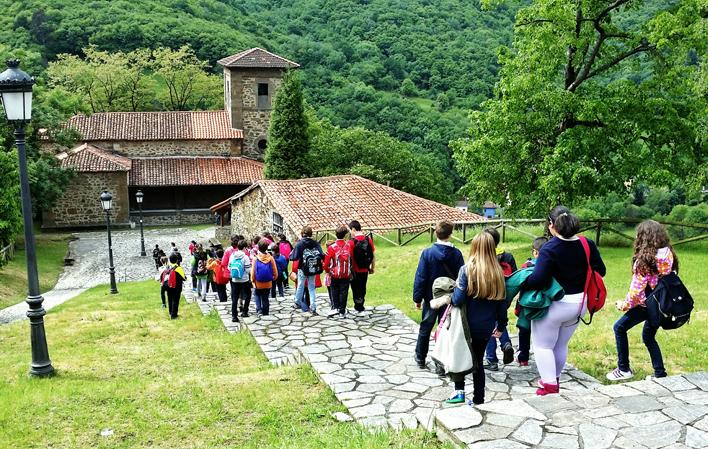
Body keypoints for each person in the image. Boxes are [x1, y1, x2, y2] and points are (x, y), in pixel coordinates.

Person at [525, 206, 606, 395]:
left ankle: (549, 384)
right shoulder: (587, 244)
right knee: (561, 344)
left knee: (543, 345)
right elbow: (600, 271)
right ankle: (555, 377)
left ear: (552, 225)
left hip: (555, 305)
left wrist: (523, 279)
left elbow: (538, 279)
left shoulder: (550, 248)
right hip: (580, 304)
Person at [607, 220, 676, 381]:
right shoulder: (668, 255)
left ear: (643, 238)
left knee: (619, 327)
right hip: (662, 305)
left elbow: (636, 290)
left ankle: (623, 369)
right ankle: (660, 373)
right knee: (649, 337)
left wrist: (624, 305)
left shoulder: (643, 261)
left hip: (646, 305)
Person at [446, 232, 508, 405]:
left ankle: (459, 392)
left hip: (465, 325)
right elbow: (502, 305)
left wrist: (450, 296)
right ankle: (479, 399)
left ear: (474, 247)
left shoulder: (466, 270)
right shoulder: (498, 274)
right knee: (478, 362)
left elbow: (458, 299)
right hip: (486, 327)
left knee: (460, 356)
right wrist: (501, 326)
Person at [413, 220, 465, 370]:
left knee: (426, 327)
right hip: (449, 299)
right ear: (451, 234)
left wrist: (417, 298)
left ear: (436, 233)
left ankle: (420, 357)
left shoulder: (427, 253)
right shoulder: (456, 254)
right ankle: (440, 364)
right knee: (445, 329)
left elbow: (421, 277)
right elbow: (461, 277)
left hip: (431, 297)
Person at [481, 227, 518, 371]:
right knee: (499, 320)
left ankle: (491, 359)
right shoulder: (507, 256)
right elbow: (515, 277)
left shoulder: (484, 257)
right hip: (503, 295)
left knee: (489, 323)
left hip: (487, 295)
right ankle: (505, 343)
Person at [514, 236, 548, 366]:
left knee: (524, 329)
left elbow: (519, 282)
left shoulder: (527, 265)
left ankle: (523, 357)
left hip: (527, 304)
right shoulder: (552, 267)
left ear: (535, 252)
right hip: (544, 303)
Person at [290, 226, 325, 315]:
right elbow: (322, 255)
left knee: (301, 285)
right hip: (313, 268)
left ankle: (297, 302)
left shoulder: (299, 244)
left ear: (302, 233)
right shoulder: (315, 243)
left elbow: (294, 257)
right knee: (311, 287)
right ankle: (313, 307)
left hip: (302, 268)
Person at [324, 225, 354, 318]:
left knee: (334, 291)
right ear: (345, 235)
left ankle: (336, 308)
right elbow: (352, 260)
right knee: (344, 292)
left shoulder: (332, 247)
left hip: (335, 274)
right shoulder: (349, 246)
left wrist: (328, 271)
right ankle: (342, 311)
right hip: (345, 274)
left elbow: (326, 263)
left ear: (335, 234)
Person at [348, 220, 375, 313]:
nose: (350, 232)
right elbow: (373, 255)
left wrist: (349, 271)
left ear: (353, 229)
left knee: (355, 288)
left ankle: (357, 305)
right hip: (365, 269)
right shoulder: (368, 239)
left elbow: (349, 258)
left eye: (350, 230)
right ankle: (361, 304)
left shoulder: (351, 242)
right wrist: (372, 267)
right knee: (363, 287)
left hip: (355, 270)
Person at [251, 240, 278, 316]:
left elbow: (252, 272)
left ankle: (259, 310)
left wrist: (252, 280)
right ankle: (266, 312)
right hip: (268, 283)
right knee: (265, 297)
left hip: (258, 282)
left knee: (257, 295)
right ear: (266, 248)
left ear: (258, 248)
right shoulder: (271, 258)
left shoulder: (255, 259)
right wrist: (274, 278)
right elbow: (275, 271)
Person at [228, 240, 252, 321]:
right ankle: (245, 311)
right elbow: (248, 270)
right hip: (244, 280)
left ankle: (234, 316)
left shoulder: (232, 255)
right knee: (248, 294)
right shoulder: (245, 257)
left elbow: (229, 267)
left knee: (235, 297)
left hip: (235, 280)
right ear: (244, 247)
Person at [162, 253, 186, 319]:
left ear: (169, 260)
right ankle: (174, 315)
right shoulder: (178, 268)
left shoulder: (168, 267)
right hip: (177, 287)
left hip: (168, 285)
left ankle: (170, 312)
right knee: (175, 300)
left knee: (170, 299)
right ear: (177, 260)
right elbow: (184, 278)